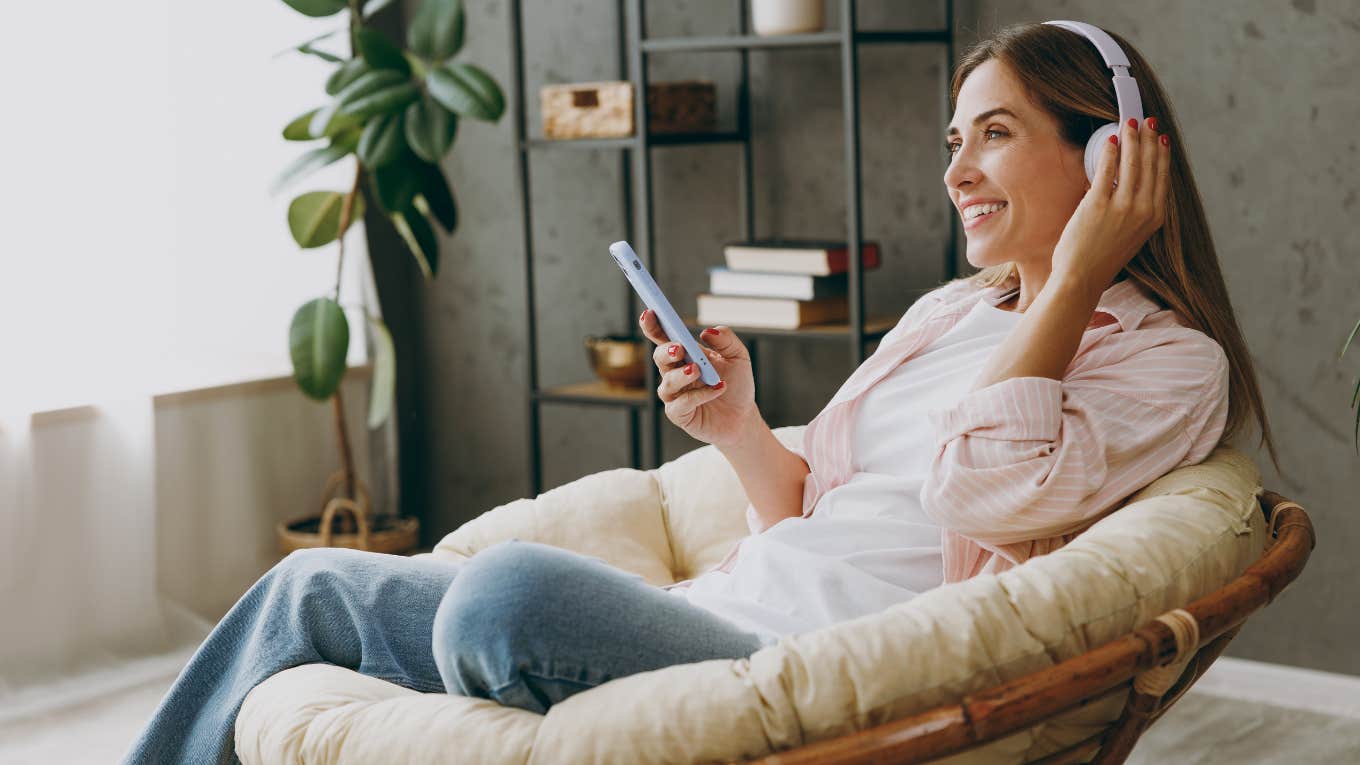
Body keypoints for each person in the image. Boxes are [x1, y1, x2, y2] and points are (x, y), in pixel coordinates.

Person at [122, 21, 1279, 765]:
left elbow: (982, 490)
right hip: (720, 615)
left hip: (801, 667)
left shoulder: (1169, 362)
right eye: (952, 139)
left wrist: (1073, 274)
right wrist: (734, 423)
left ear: (1110, 154)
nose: (955, 172)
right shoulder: (949, 313)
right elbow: (814, 512)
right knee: (309, 583)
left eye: (994, 135)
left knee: (501, 597)